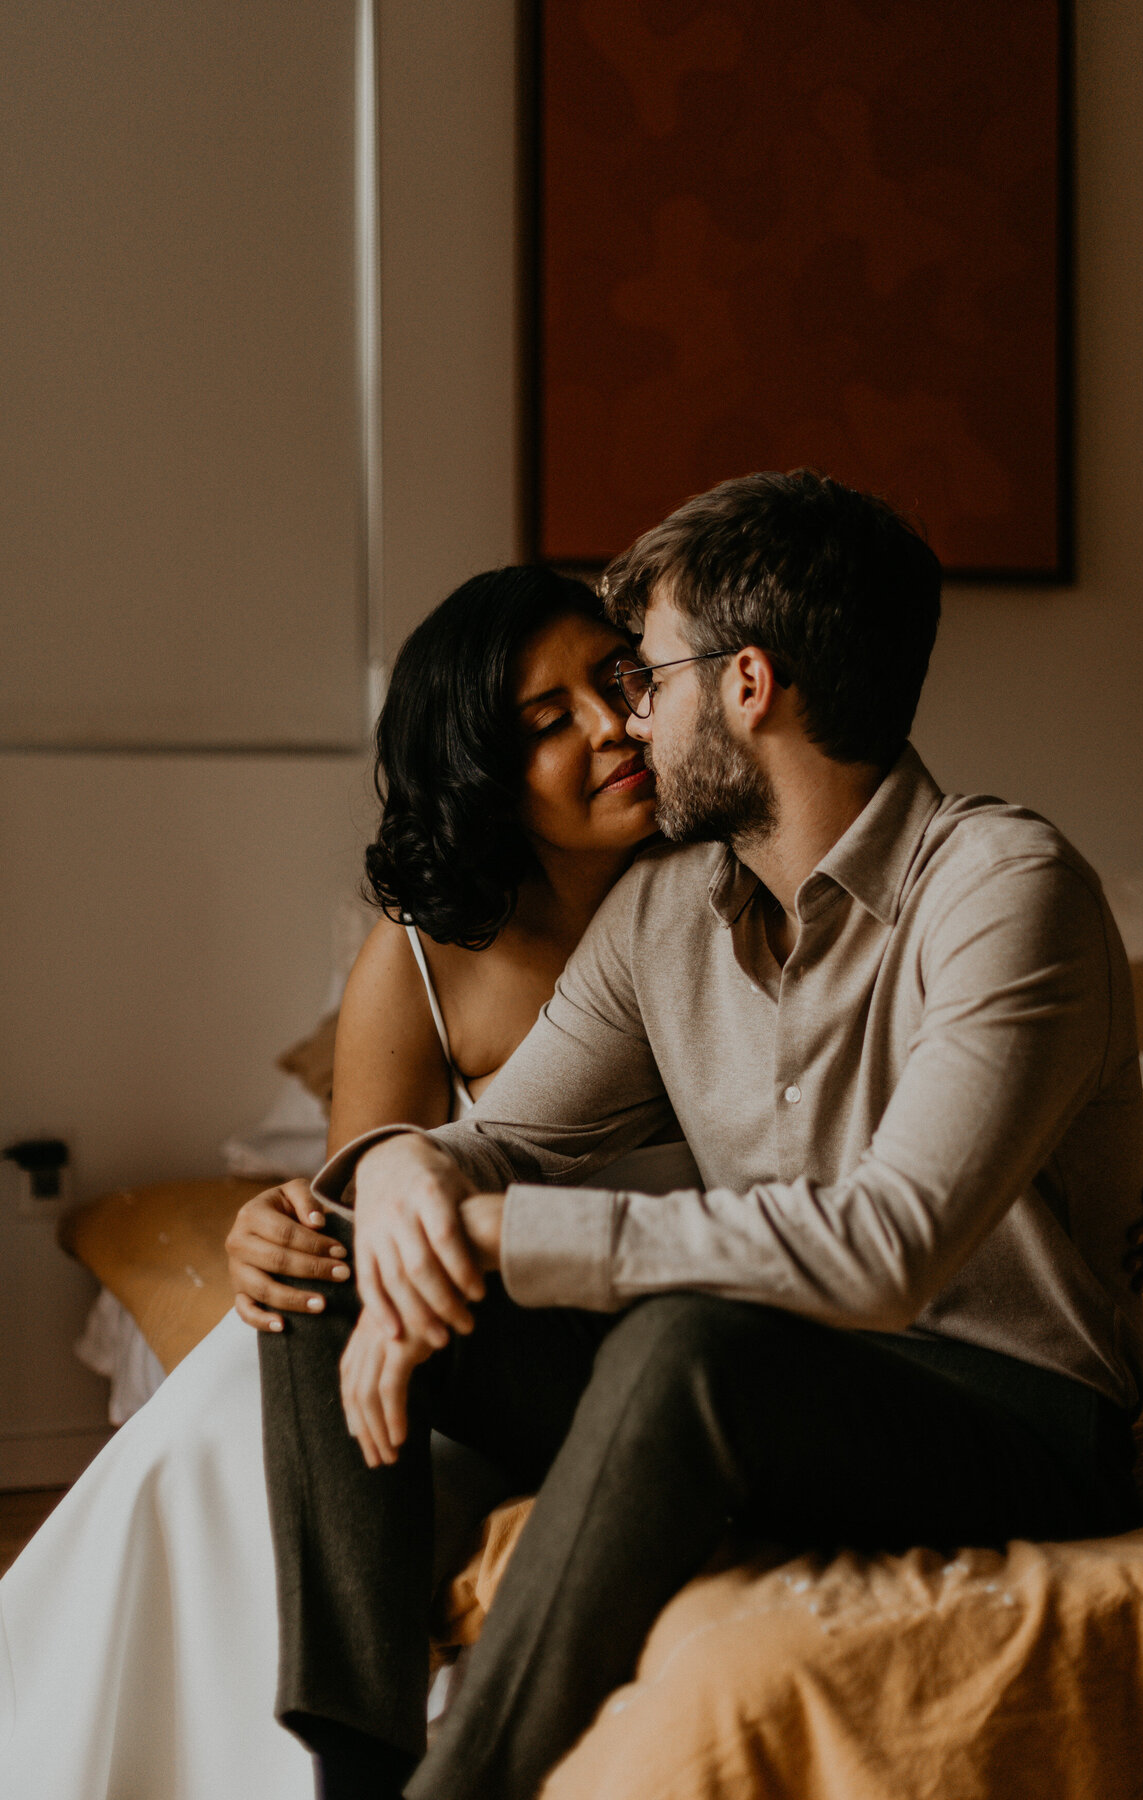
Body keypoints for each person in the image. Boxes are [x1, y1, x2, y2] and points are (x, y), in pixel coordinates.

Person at [259, 470, 1143, 1800]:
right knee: (339, 1266)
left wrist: (504, 1229)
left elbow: (887, 1252)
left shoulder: (1004, 886)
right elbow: (503, 1138)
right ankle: (357, 1772)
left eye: (650, 675)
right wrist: (404, 1174)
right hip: (766, 1392)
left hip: (1004, 1416)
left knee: (687, 1335)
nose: (636, 714)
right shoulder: (671, 908)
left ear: (747, 686)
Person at [0, 565, 704, 1800]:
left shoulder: (731, 888)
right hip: (439, 1325)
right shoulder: (423, 959)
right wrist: (281, 1226)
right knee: (220, 1440)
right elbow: (369, 1182)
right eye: (547, 722)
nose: (606, 729)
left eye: (618, 680)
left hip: (625, 1327)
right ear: (486, 769)